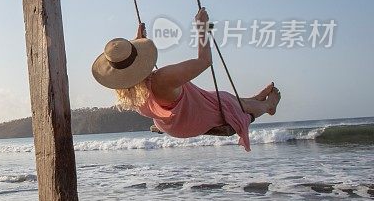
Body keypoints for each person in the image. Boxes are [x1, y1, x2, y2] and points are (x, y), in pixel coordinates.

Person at [92, 8, 281, 151]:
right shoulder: (161, 79)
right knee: (226, 102)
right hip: (189, 122)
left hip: (169, 124)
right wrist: (202, 28)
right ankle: (266, 106)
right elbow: (204, 61)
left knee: (218, 96)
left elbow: (129, 66)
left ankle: (254, 99)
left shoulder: (127, 90)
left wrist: (138, 40)